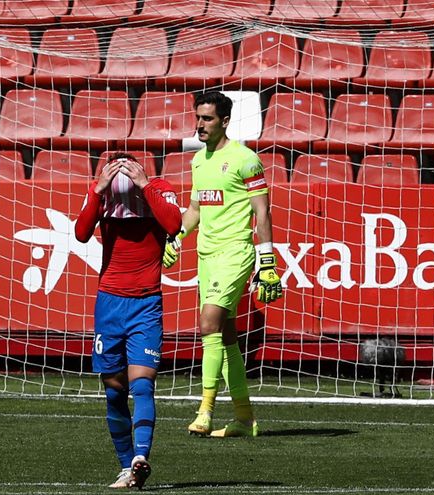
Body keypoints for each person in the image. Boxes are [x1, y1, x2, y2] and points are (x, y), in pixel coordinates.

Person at [162, 91, 283, 438]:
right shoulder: (199, 161)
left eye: (208, 118)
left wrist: (267, 258)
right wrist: (176, 237)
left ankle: (205, 411)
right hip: (207, 256)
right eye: (198, 117)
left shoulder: (246, 159)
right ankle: (245, 418)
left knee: (208, 325)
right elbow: (196, 210)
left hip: (235, 253)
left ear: (225, 121)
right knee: (227, 335)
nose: (200, 124)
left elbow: (262, 211)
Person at [75, 152, 182, 489]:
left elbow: (174, 224)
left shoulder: (159, 189)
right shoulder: (100, 194)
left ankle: (139, 457)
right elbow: (80, 233)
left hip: (146, 305)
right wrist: (98, 188)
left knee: (142, 384)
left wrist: (145, 185)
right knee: (114, 392)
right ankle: (126, 468)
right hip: (109, 305)